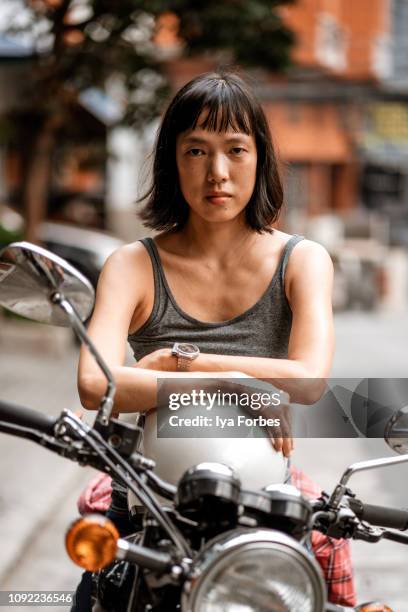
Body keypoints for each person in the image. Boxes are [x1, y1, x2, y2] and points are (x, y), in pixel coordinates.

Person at [73, 71, 336, 611]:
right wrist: (231, 381)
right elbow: (94, 382)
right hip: (148, 497)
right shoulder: (132, 264)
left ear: (259, 157)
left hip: (266, 498)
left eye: (235, 149)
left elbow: (310, 380)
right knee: (96, 589)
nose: (217, 172)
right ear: (172, 160)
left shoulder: (302, 261)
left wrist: (178, 362)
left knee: (328, 581)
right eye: (196, 151)